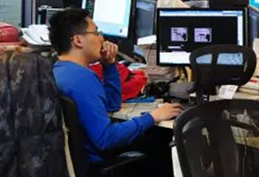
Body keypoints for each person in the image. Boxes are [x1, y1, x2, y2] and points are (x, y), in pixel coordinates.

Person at [49, 9, 182, 165]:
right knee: (160, 139)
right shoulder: (82, 80)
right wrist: (153, 116)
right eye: (96, 33)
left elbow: (111, 105)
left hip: (76, 161)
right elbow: (106, 139)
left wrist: (109, 65)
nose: (102, 38)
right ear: (78, 40)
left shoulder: (58, 69)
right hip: (95, 163)